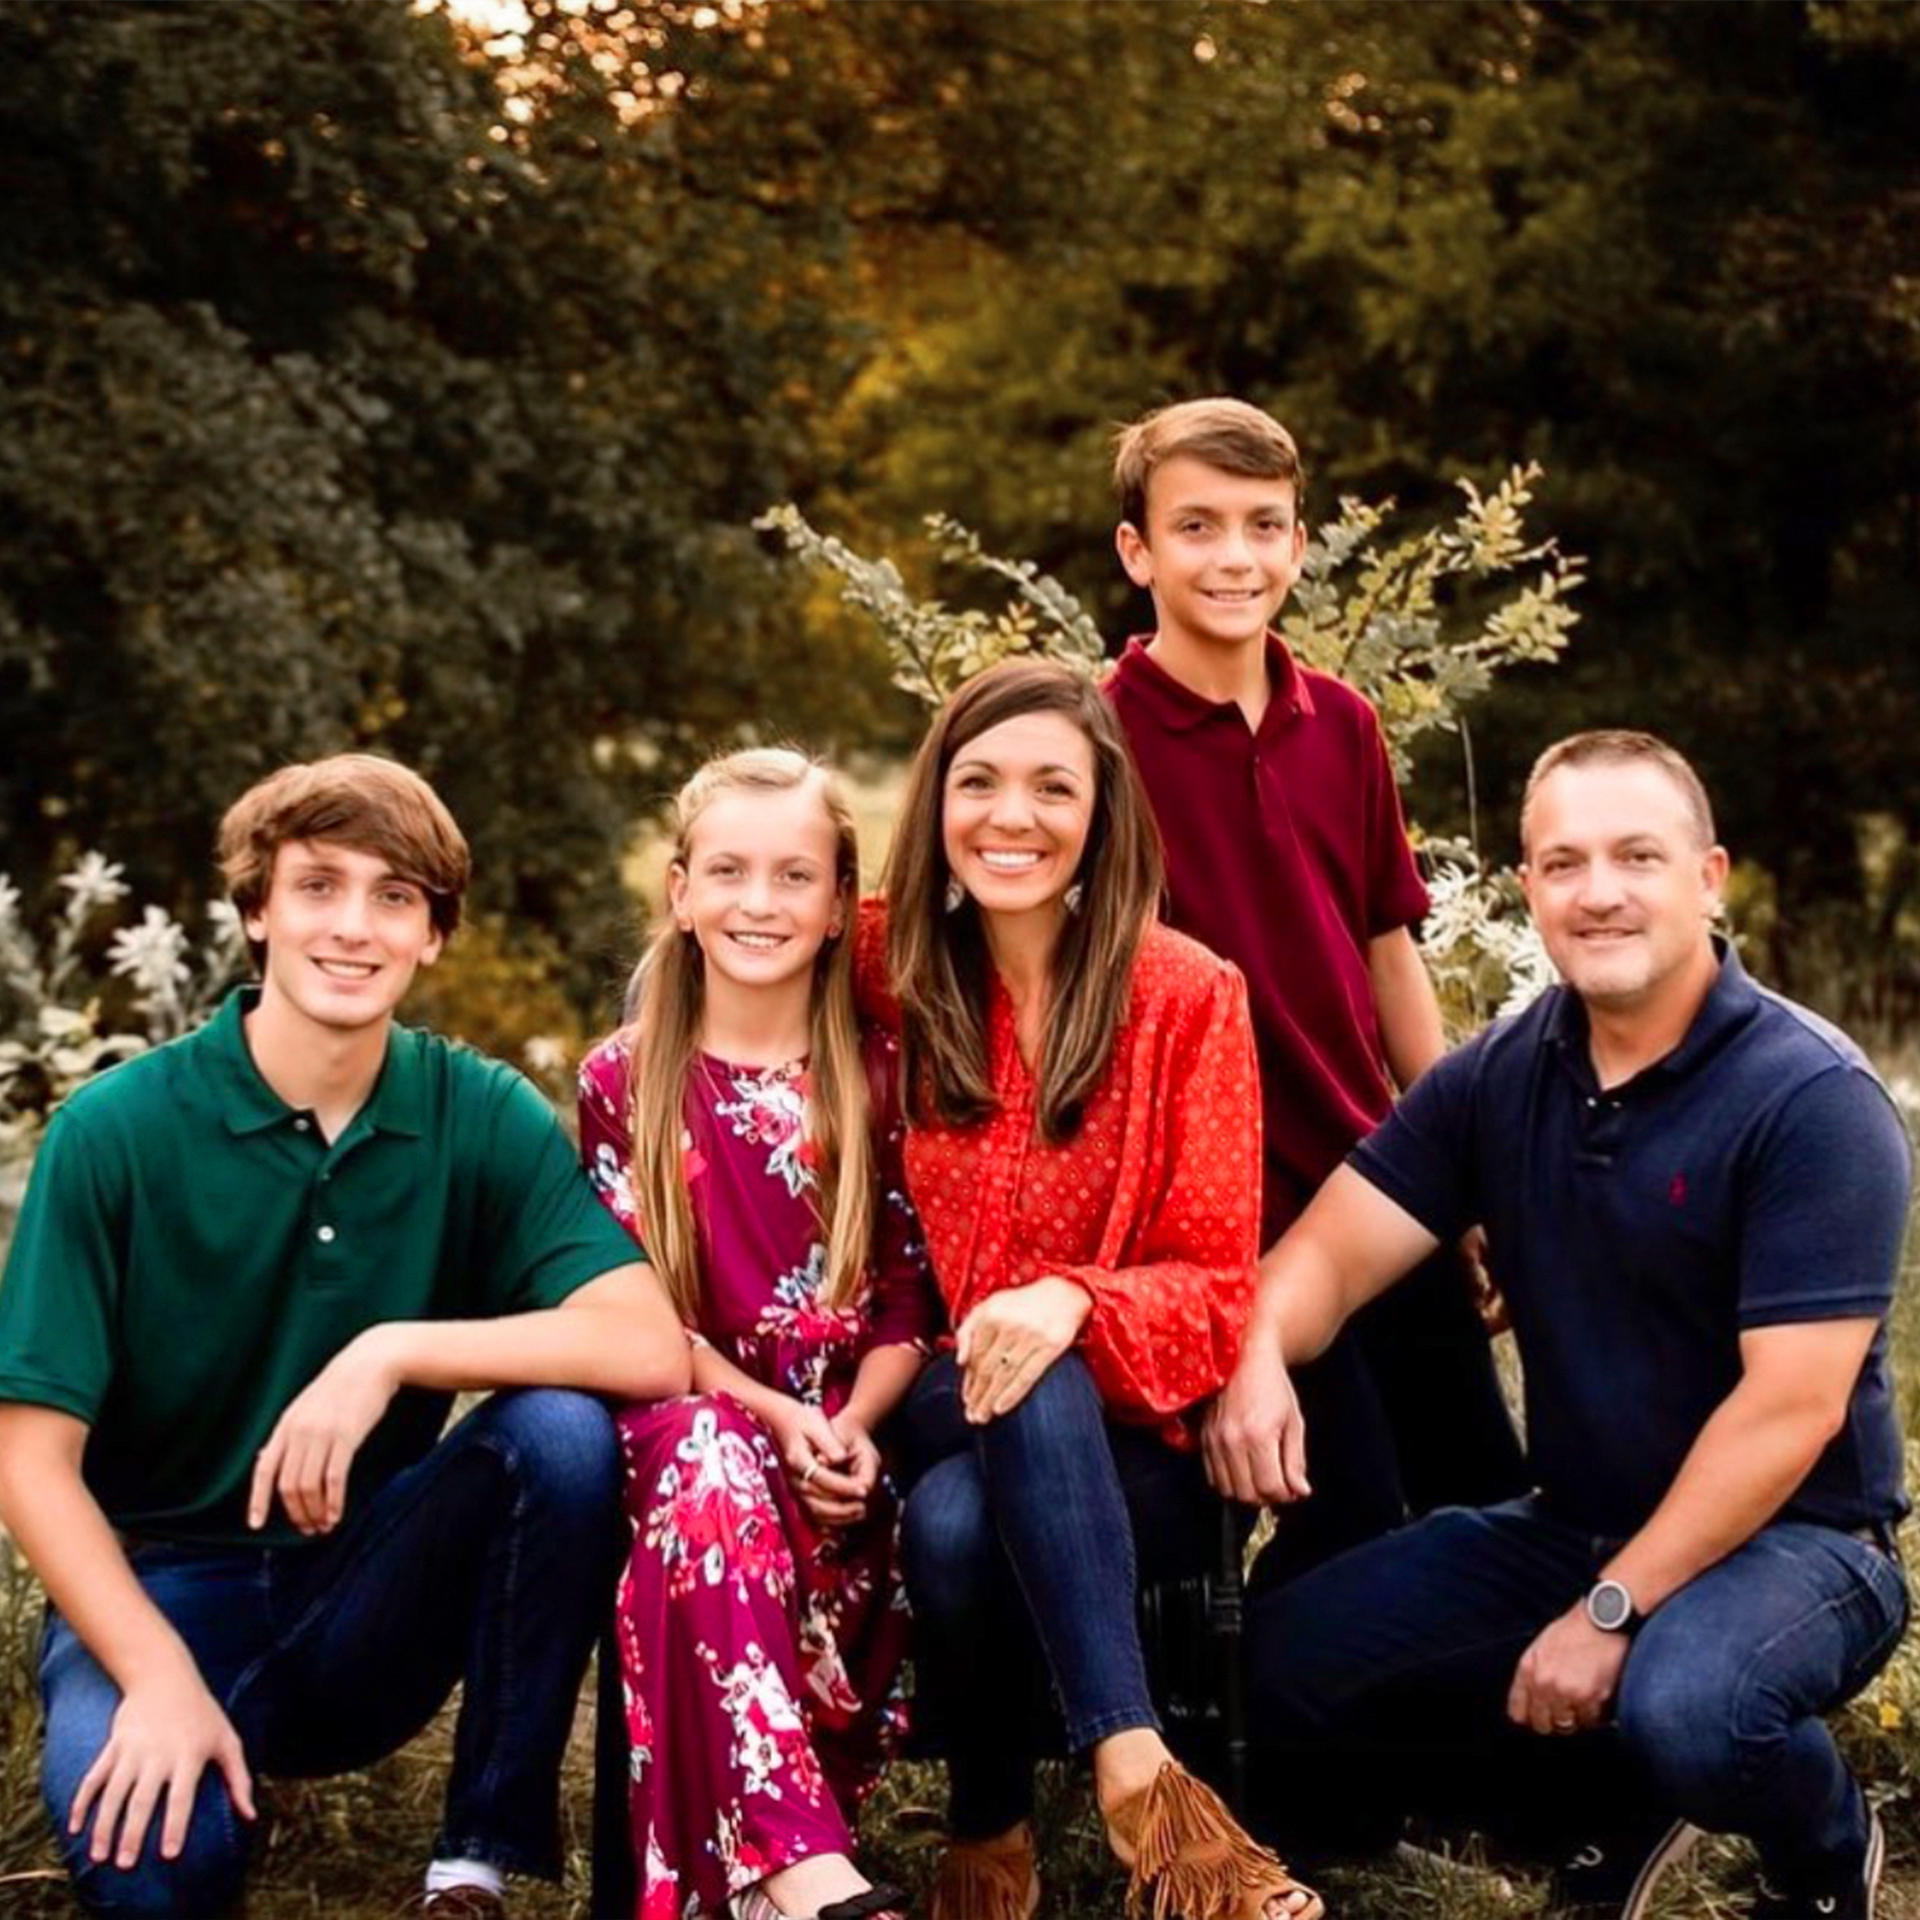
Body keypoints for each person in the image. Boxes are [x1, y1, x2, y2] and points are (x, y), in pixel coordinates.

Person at [1209, 731, 1911, 1920]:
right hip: (1573, 1524)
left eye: (1638, 856)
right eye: (1564, 862)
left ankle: (1826, 1847)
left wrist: (1612, 1612)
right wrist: (1261, 1355)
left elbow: (1788, 1412)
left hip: (1803, 1544)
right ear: (1529, 888)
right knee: (1271, 1668)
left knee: (1692, 1706)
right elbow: (1326, 1255)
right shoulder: (1500, 1074)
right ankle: (1603, 1798)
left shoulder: (1813, 1101)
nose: (1600, 892)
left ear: (1709, 876)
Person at [0, 754, 690, 1920]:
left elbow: (646, 1346)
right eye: (318, 887)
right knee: (151, 1872)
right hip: (153, 1595)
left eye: (394, 898)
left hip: (362, 1592)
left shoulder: (473, 1112)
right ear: (257, 910)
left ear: (432, 936)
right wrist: (157, 1679)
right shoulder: (112, 1134)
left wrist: (391, 1353)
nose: (352, 927)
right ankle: (205, 1774)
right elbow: (30, 1463)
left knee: (563, 1437)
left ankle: (472, 1862)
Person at [866, 659, 1321, 1920]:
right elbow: (723, 954)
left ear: (1101, 818)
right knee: (998, 1385)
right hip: (938, 1400)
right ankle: (1140, 1779)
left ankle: (987, 1828)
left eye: (1052, 788)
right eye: (980, 784)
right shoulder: (890, 967)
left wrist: (1072, 1298)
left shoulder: (1187, 996)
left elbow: (1219, 1287)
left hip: (1140, 1453)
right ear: (937, 806)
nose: (1012, 817)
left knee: (961, 1517)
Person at [1105, 396, 1526, 1584]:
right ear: (1137, 551)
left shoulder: (1342, 724)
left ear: (1296, 544)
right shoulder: (1097, 740)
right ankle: (1296, 1743)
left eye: (1263, 526)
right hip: (1234, 1216)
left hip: (1385, 1186)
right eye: (1196, 527)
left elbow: (1390, 954)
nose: (1234, 556)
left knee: (1485, 1498)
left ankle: (1488, 1751)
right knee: (1348, 1513)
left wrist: (1467, 1163)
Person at [578, 748, 938, 1920]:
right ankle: (802, 1871)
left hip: (845, 1449)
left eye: (796, 877)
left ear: (842, 907)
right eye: (727, 872)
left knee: (749, 1470)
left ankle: (760, 1873)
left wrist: (851, 1428)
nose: (759, 903)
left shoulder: (882, 1076)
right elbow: (638, 1316)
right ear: (680, 892)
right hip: (683, 1426)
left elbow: (904, 1301)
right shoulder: (621, 1084)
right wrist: (770, 1415)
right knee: (702, 1453)